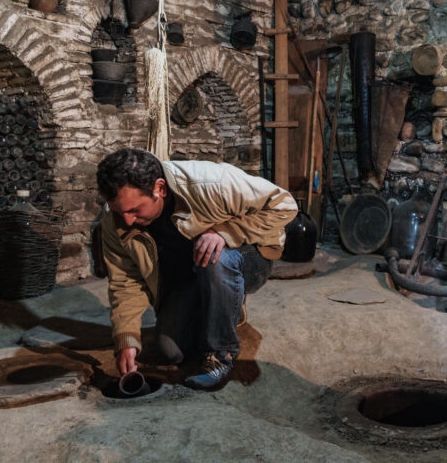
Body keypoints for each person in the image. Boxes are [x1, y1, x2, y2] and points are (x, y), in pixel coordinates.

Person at [96, 148, 297, 389]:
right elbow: (124, 280)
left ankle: (222, 354)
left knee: (217, 256)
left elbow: (284, 205)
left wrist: (226, 232)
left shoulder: (211, 182)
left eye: (134, 210)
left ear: (159, 188)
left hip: (250, 258)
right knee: (171, 351)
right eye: (120, 211)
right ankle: (220, 304)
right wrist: (126, 338)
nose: (126, 220)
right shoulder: (114, 220)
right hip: (190, 273)